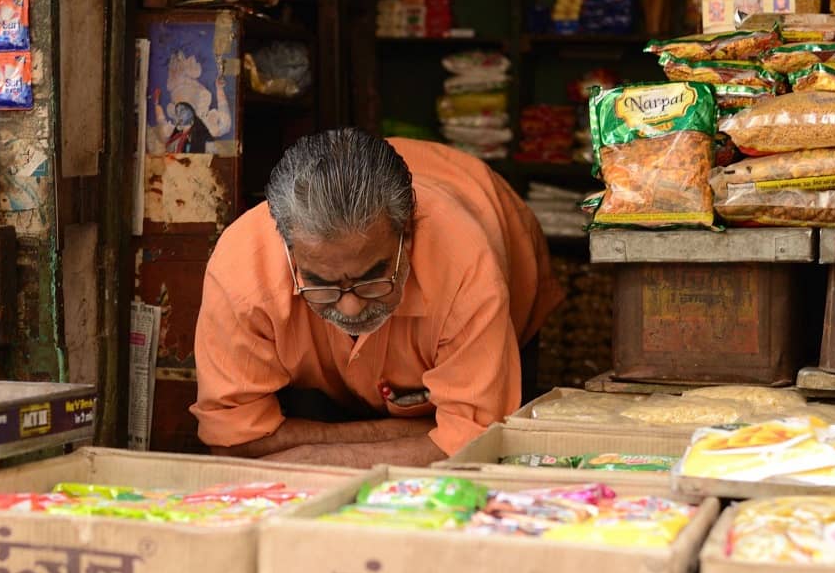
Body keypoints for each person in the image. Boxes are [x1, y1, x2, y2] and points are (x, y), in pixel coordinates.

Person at [191, 128, 563, 467]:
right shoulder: (242, 274)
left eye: (373, 278)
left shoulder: (466, 265)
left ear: (408, 235)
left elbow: (478, 443)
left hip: (494, 239)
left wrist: (308, 453)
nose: (351, 307)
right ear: (288, 247)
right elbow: (232, 440)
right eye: (322, 284)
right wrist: (402, 438)